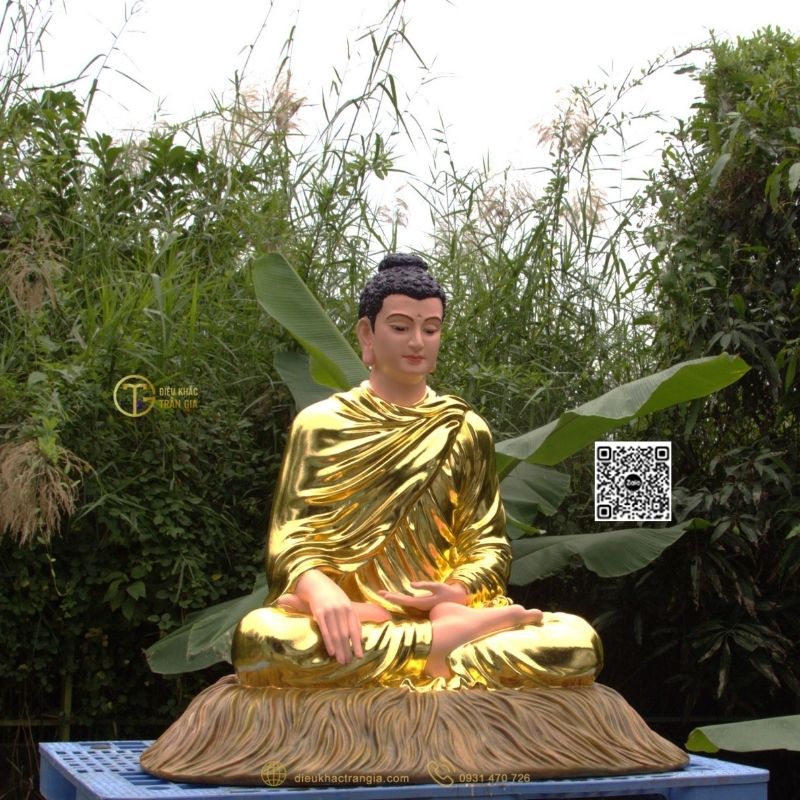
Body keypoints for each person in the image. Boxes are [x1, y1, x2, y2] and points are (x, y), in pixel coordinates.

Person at [232, 253, 602, 690]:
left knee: (576, 645)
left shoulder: (464, 428)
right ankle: (442, 644)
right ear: (367, 334)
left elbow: (487, 543)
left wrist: (459, 589)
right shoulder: (321, 424)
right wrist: (319, 588)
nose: (417, 342)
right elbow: (291, 541)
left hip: (436, 614)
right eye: (400, 327)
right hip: (346, 617)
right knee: (263, 641)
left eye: (430, 329)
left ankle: (435, 637)